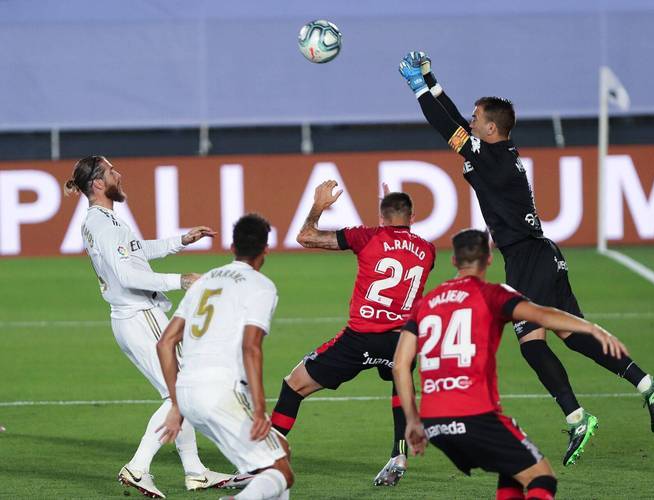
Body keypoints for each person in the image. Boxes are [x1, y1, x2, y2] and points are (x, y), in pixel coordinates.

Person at [398, 52, 654, 466]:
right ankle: (648, 384)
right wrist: (432, 81)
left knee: (531, 343)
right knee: (572, 335)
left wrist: (418, 89)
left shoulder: (492, 157)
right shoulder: (497, 153)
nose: (471, 121)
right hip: (540, 254)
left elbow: (447, 128)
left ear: (491, 127)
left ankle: (577, 417)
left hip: (528, 256)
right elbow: (456, 125)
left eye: (477, 117)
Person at [393, 229, 631, 499]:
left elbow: (400, 365)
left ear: (454, 260)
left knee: (512, 470)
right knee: (542, 477)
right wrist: (592, 328)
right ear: (489, 258)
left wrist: (412, 420)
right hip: (476, 416)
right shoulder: (492, 294)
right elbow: (543, 315)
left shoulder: (425, 304)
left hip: (434, 423)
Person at [64, 156, 233, 498]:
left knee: (179, 393)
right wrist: (181, 280)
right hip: (140, 315)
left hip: (133, 317)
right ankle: (138, 468)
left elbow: (135, 252)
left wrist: (180, 241)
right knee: (182, 393)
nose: (119, 174)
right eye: (111, 171)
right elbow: (128, 275)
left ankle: (196, 471)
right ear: (98, 183)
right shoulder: (103, 224)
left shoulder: (101, 220)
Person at [269, 180, 436, 486]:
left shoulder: (367, 237)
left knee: (294, 385)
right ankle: (399, 454)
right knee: (400, 381)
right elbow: (401, 247)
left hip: (360, 339)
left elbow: (306, 236)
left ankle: (265, 457)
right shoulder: (428, 250)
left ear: (381, 217)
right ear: (412, 218)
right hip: (402, 340)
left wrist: (318, 206)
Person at [156, 213, 294, 500]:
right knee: (282, 472)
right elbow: (251, 347)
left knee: (279, 451)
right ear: (266, 249)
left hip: (189, 395)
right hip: (222, 392)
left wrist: (177, 405)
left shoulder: (204, 282)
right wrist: (260, 409)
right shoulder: (261, 286)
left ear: (232, 247)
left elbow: (165, 343)